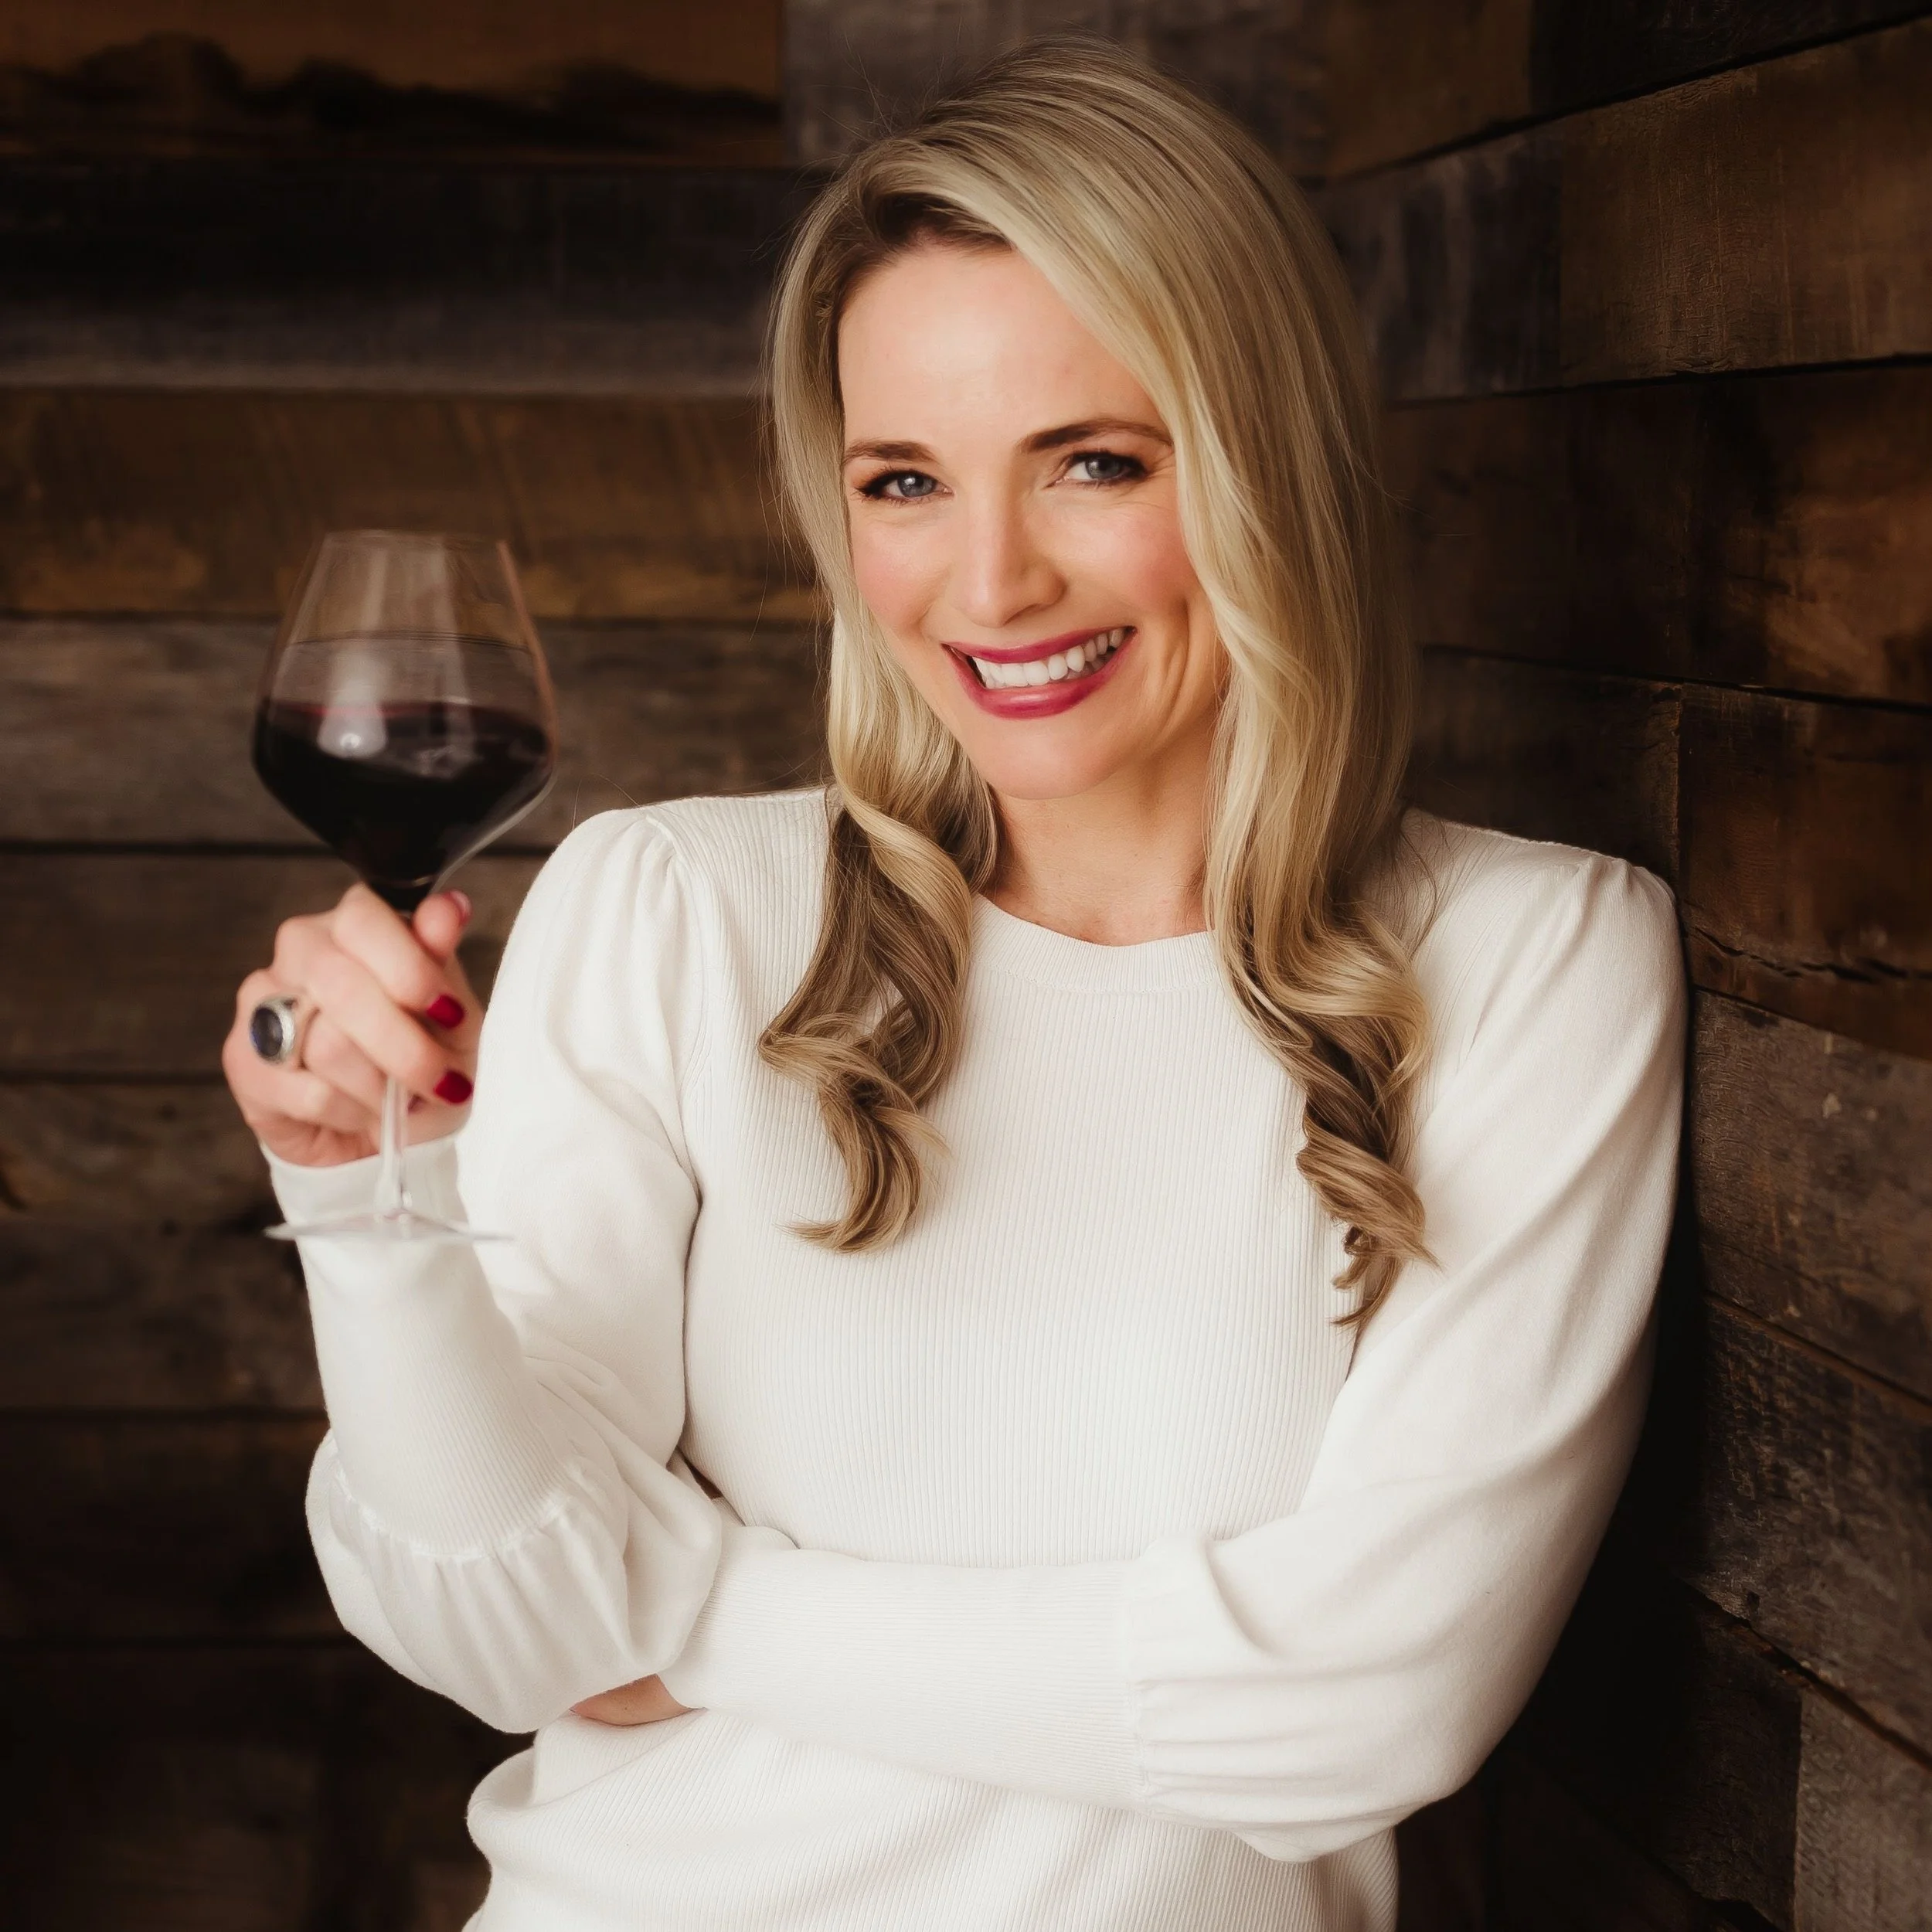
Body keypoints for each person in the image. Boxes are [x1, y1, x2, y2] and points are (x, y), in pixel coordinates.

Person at [222, 37, 1685, 1932]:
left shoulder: (1535, 957)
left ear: (1262, 467)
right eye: (905, 480)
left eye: (1091, 462)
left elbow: (1368, 1700)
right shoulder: (674, 905)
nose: (985, 584)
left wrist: (693, 1601)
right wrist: (365, 1199)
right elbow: (504, 1626)